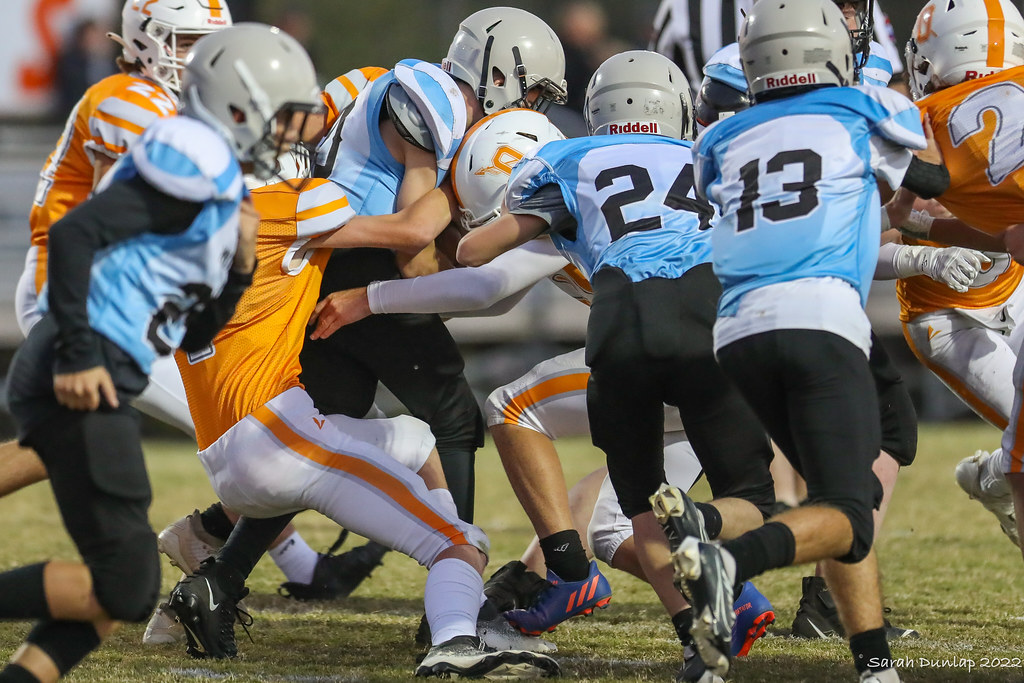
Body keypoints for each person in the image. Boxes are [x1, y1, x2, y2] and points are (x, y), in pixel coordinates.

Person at [157, 150, 559, 677]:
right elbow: (413, 231)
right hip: (283, 442)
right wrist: (447, 167)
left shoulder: (187, 234)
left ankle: (205, 585)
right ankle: (457, 639)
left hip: (225, 454)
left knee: (415, 439)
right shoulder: (295, 202)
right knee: (463, 544)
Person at [0, 22, 320, 683]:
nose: (293, 133)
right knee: (127, 584)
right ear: (239, 107)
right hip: (83, 358)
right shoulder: (188, 149)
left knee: (116, 590)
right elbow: (76, 235)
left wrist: (236, 272)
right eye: (283, 115)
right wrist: (81, 352)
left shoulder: (225, 178)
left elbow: (197, 327)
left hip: (108, 359)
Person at [455, 49, 778, 682]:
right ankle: (706, 523)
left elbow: (477, 250)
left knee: (637, 506)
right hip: (709, 317)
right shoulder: (714, 149)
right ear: (679, 108)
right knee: (753, 502)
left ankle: (699, 648)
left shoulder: (575, 159)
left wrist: (489, 227)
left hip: (620, 329)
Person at [682, 0, 949, 679]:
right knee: (849, 516)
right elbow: (936, 179)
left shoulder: (719, 135)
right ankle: (728, 560)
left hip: (738, 330)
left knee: (841, 492)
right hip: (821, 319)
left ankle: (874, 663)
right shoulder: (859, 106)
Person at [897, 0, 1024, 558]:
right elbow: (875, 224)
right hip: (946, 314)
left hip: (1013, 285)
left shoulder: (923, 120)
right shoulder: (914, 122)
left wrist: (927, 225)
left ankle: (994, 475)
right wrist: (925, 249)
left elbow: (886, 216)